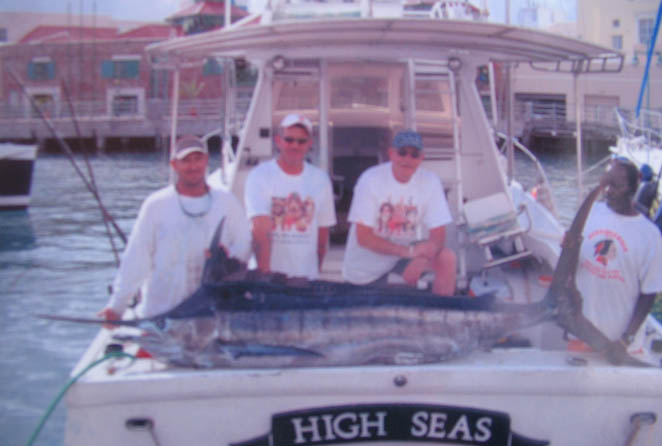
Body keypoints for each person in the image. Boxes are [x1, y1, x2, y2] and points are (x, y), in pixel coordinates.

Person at [98, 135, 251, 321]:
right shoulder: (155, 204)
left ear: (206, 160)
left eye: (197, 159)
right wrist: (117, 306)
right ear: (174, 165)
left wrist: (228, 258)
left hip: (209, 317)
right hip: (161, 315)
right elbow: (136, 258)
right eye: (185, 160)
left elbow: (244, 244)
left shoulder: (228, 202)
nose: (193, 166)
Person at [575, 157, 662, 361]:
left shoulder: (649, 234)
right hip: (582, 335)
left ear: (632, 189)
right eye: (606, 184)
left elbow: (650, 293)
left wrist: (626, 338)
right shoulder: (592, 212)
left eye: (615, 186)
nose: (608, 191)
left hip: (618, 346)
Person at [342, 130, 456, 296]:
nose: (407, 159)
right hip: (365, 266)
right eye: (402, 153)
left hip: (402, 255)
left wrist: (421, 259)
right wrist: (409, 253)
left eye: (414, 154)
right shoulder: (370, 180)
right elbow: (363, 238)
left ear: (421, 158)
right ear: (391, 154)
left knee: (447, 258)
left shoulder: (431, 181)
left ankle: (444, 313)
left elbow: (438, 236)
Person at [244, 113, 336, 279]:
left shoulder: (321, 179)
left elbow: (322, 237)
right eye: (289, 140)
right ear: (278, 141)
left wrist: (315, 273)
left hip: (306, 279)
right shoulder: (259, 175)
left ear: (310, 144)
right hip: (268, 280)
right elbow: (260, 230)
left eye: (301, 141)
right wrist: (265, 276)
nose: (295, 145)